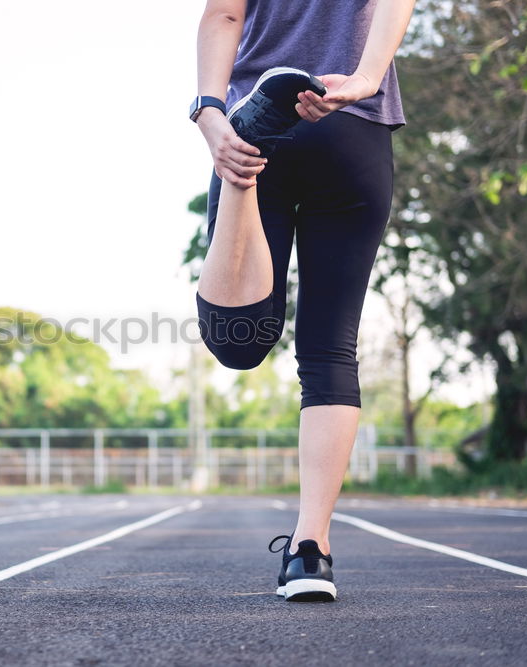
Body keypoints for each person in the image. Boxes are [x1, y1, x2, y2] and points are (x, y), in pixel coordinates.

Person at [189, 0, 415, 601]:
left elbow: (224, 16)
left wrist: (210, 112)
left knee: (239, 347)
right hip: (351, 122)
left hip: (258, 112)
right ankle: (310, 551)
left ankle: (246, 164)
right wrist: (366, 79)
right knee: (329, 354)